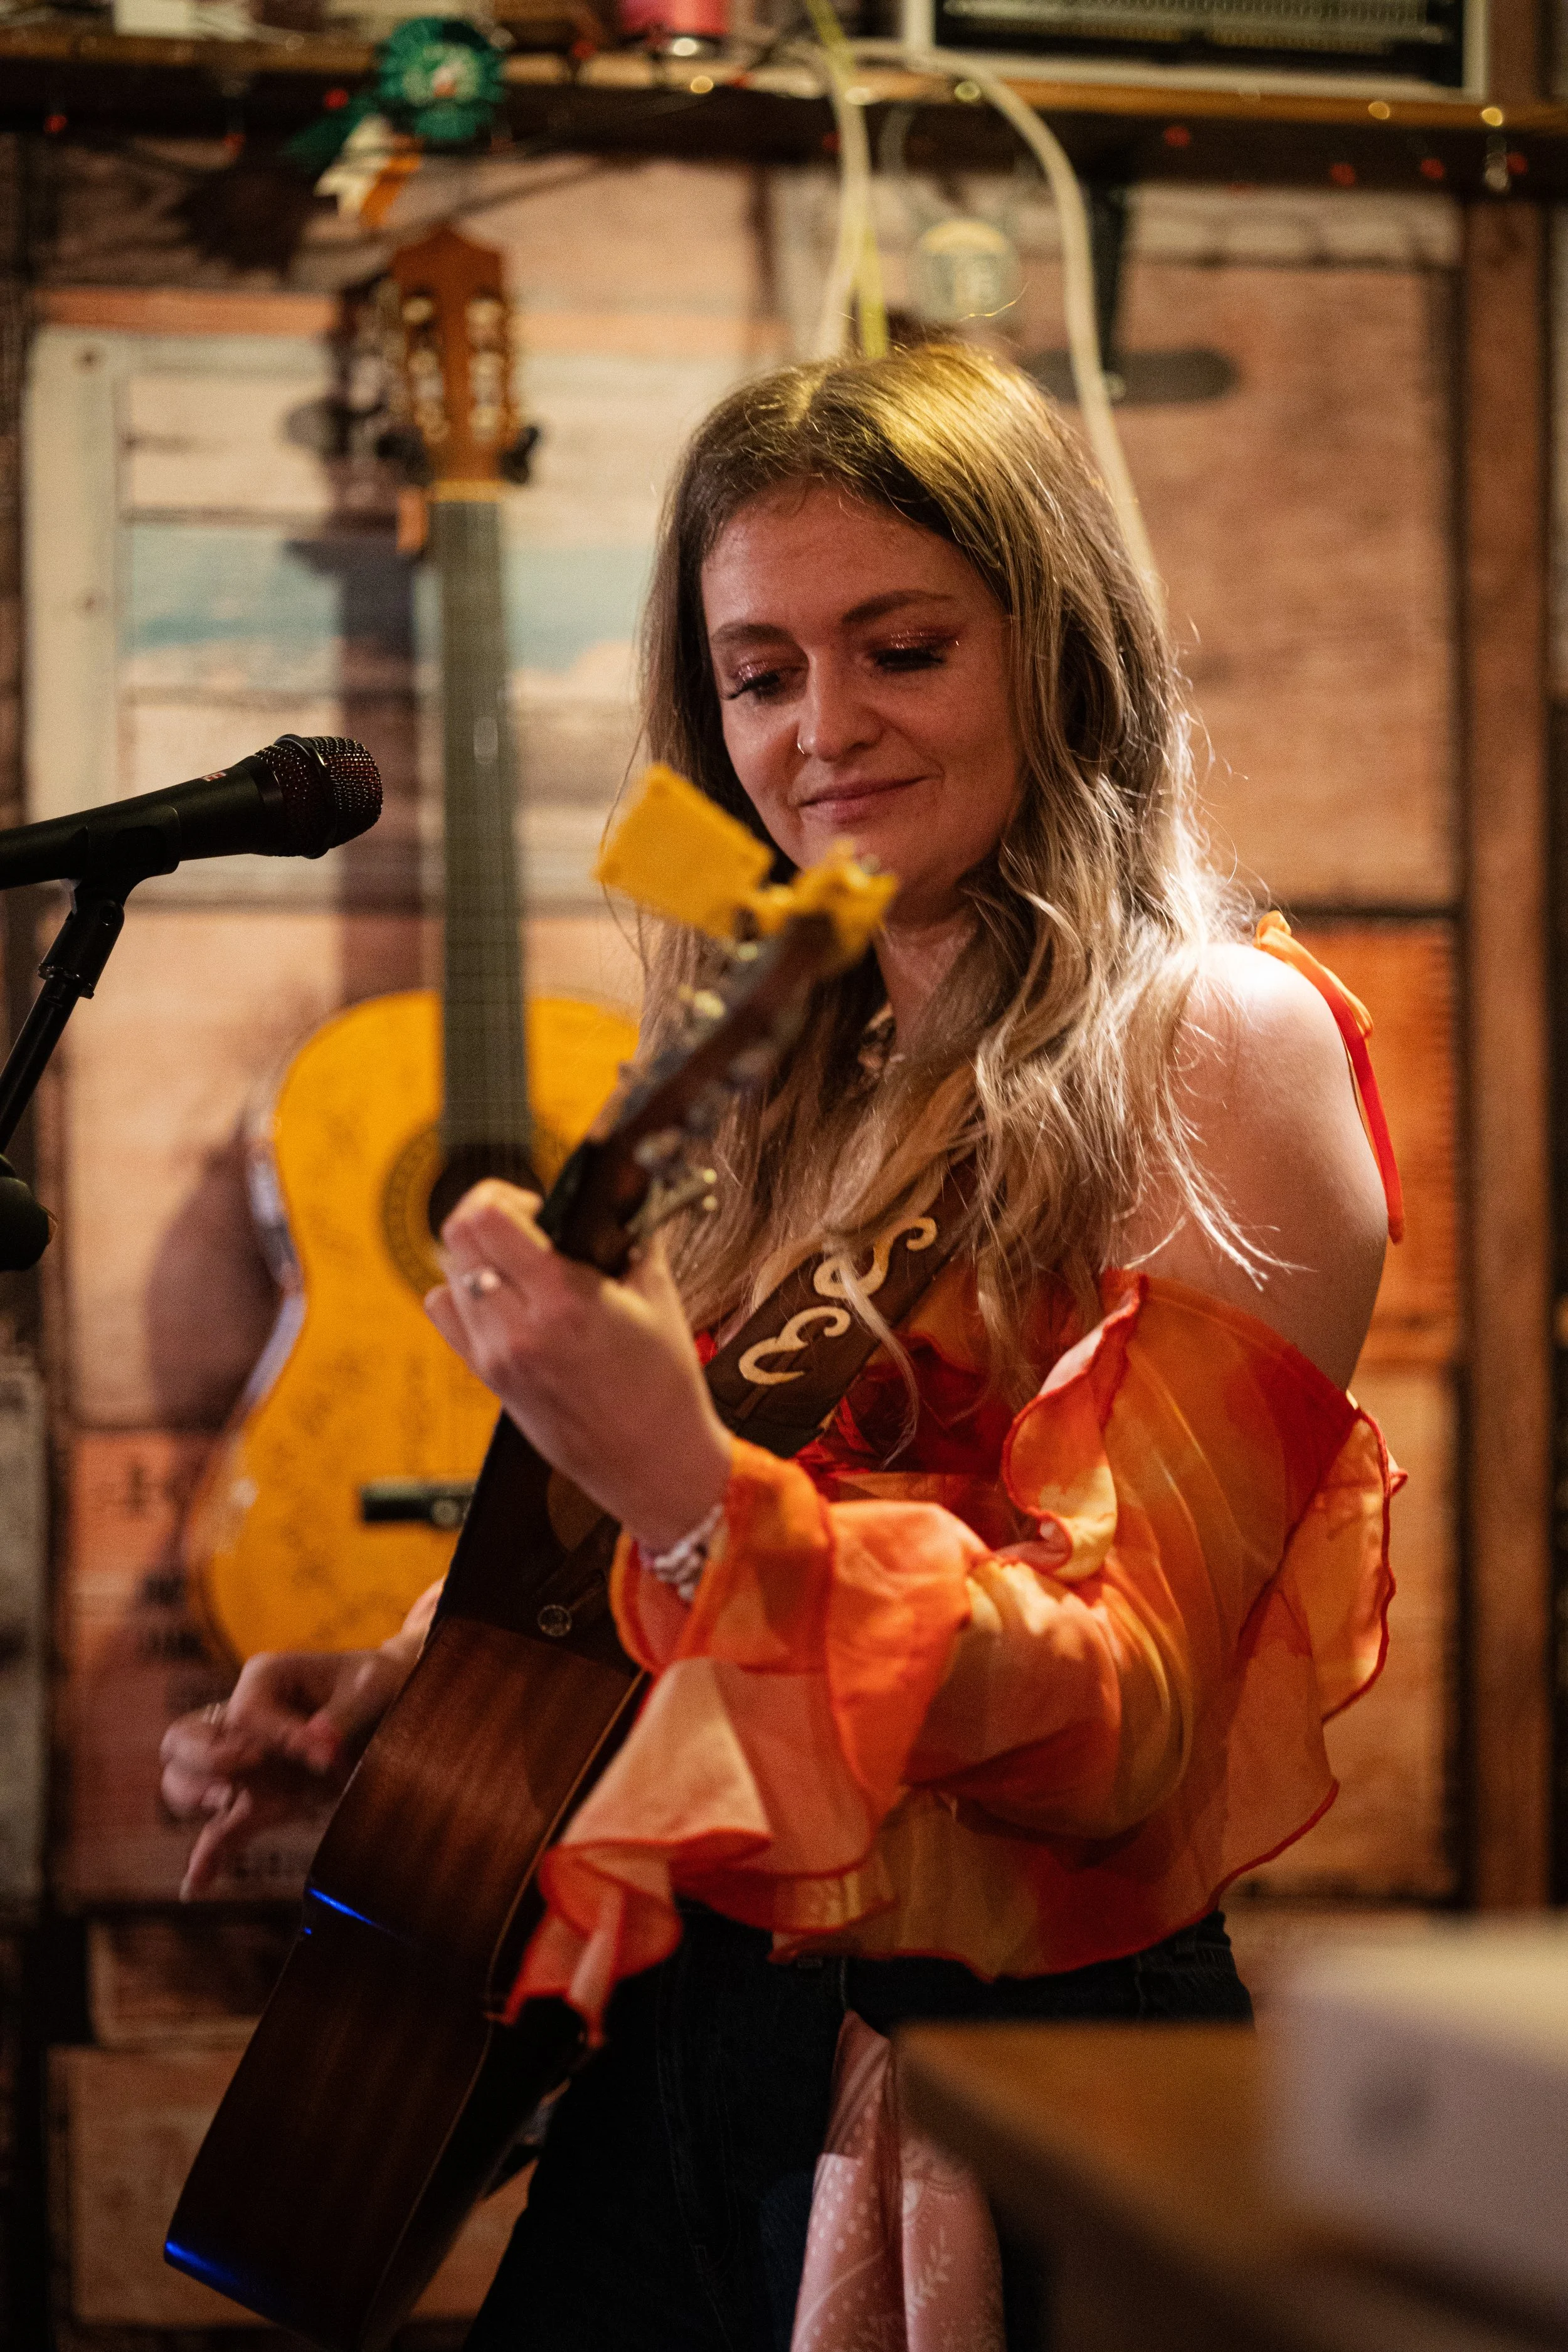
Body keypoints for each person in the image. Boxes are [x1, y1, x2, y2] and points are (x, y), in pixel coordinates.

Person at [161, 344, 1401, 2351]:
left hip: (988, 2070)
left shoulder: (1210, 1041)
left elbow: (1125, 1717)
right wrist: (421, 1697)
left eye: (902, 649)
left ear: (1057, 647)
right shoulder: (781, 1075)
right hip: (674, 2047)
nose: (823, 728)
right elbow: (713, 1582)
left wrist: (683, 1487)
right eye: (758, 675)